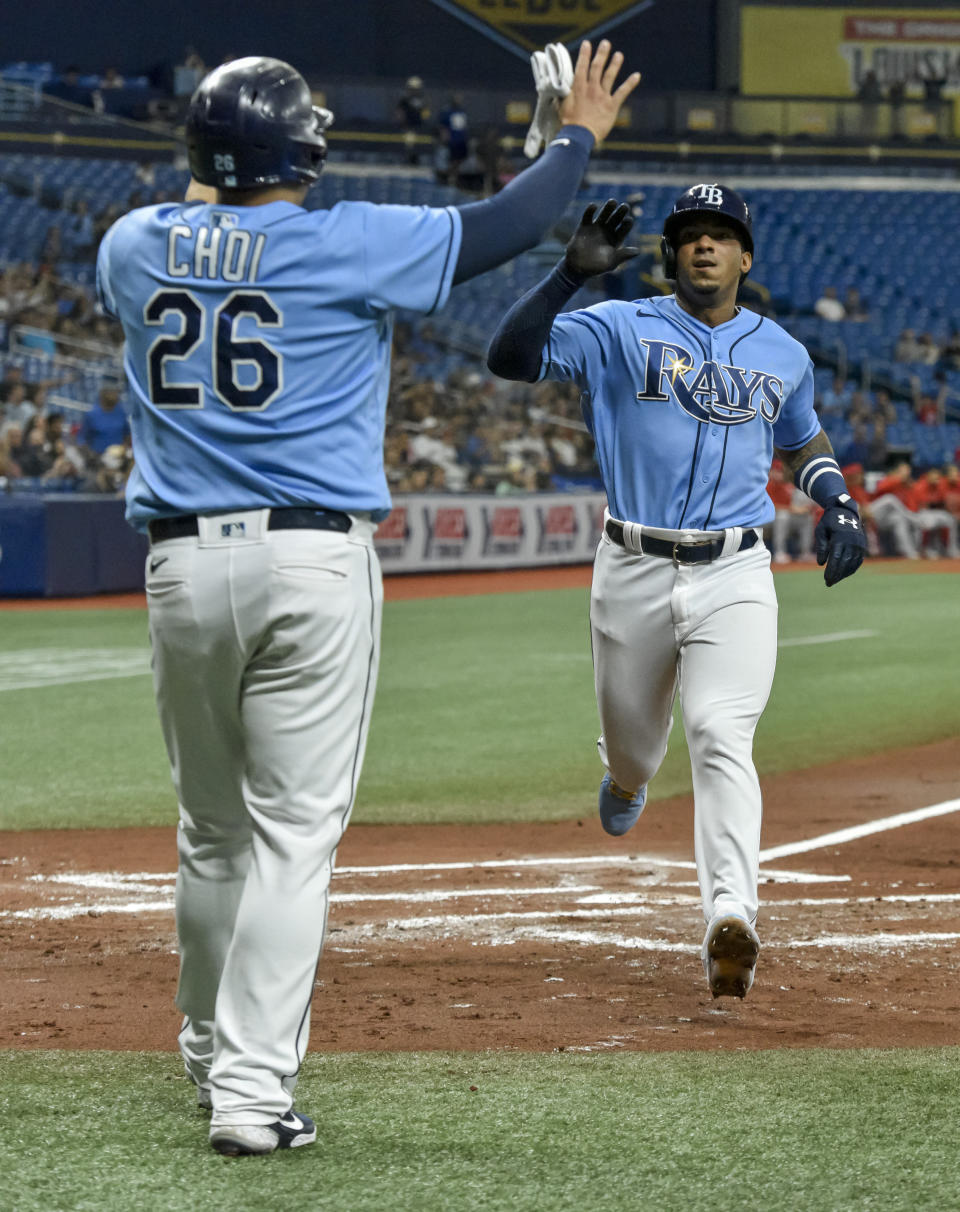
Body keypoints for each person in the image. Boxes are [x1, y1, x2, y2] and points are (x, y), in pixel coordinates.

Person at [95, 47, 638, 1157]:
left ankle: (207, 1058)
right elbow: (508, 227)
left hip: (180, 566)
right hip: (307, 561)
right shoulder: (345, 242)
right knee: (294, 834)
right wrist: (573, 136)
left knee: (211, 833)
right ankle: (251, 1097)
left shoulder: (128, 246)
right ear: (304, 148)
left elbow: (212, 209)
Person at [487, 184, 866, 1003]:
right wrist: (566, 279)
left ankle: (732, 915)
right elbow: (509, 359)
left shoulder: (784, 352)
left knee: (721, 732)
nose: (704, 246)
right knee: (635, 748)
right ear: (671, 254)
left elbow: (801, 435)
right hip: (632, 566)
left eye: (720, 235)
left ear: (745, 257)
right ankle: (625, 781)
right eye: (690, 235)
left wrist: (835, 496)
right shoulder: (619, 327)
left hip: (736, 568)